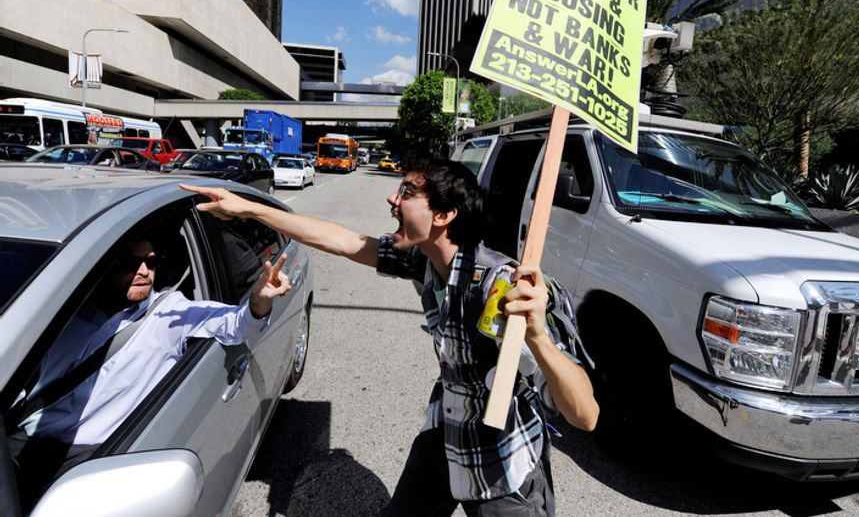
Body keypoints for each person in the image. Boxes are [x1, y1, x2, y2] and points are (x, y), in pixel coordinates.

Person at [182, 157, 599, 516]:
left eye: (407, 192)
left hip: (501, 463)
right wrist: (249, 209)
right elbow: (343, 241)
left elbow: (585, 414)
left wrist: (540, 337)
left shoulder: (499, 288)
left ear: (444, 214)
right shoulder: (423, 261)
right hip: (447, 432)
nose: (391, 200)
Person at [9, 236, 290, 508]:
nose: (143, 271)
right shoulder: (65, 313)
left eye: (151, 263)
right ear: (104, 267)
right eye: (129, 262)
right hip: (23, 439)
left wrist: (258, 301)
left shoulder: (169, 314)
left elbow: (235, 324)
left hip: (86, 459)